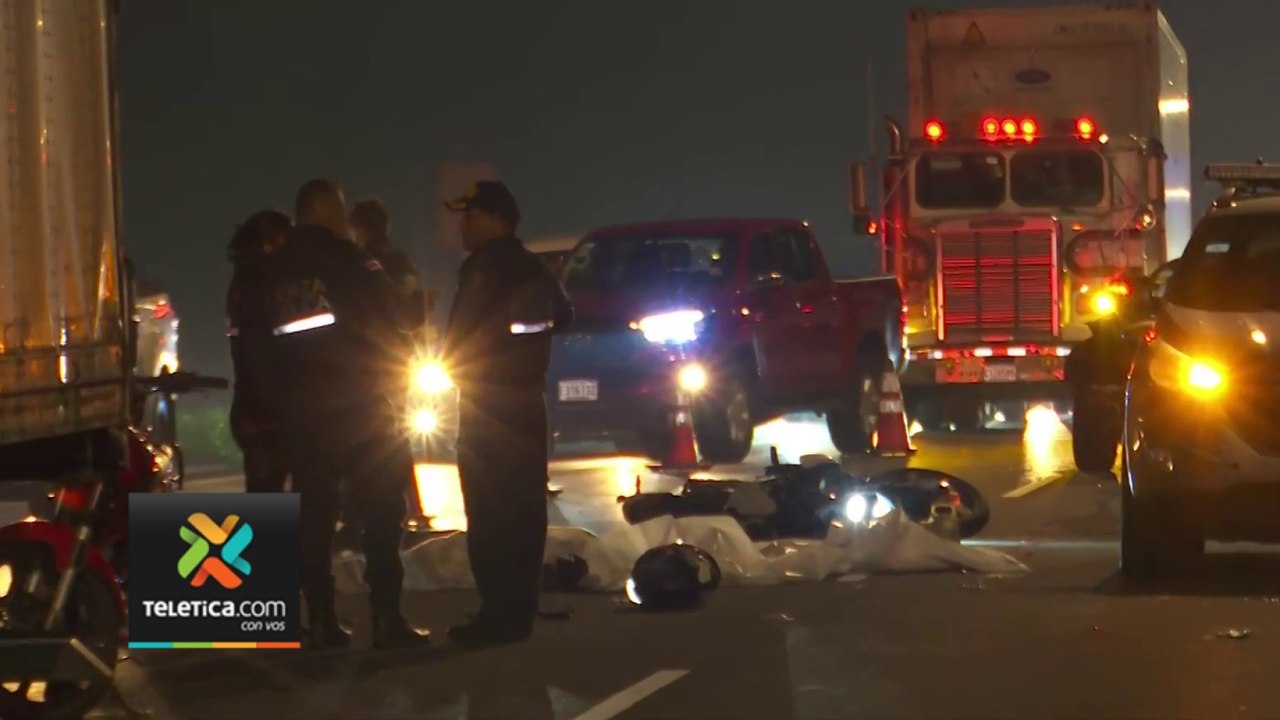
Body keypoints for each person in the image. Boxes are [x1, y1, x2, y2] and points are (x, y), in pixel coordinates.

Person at [267, 178, 429, 649]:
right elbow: (391, 318)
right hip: (360, 407)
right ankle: (386, 619)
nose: (344, 218)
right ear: (319, 210)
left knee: (314, 516)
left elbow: (264, 345)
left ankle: (320, 621)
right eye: (337, 209)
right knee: (381, 513)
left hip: (302, 411)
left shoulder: (275, 271)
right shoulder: (350, 261)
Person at [442, 181, 572, 646]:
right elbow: (565, 315)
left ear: (496, 218)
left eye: (471, 215)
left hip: (486, 405)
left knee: (490, 510)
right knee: (524, 508)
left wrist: (455, 365)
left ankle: (496, 614)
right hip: (528, 403)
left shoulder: (482, 269)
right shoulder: (532, 266)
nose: (463, 225)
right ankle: (518, 610)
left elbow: (460, 338)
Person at [346, 198, 432, 531]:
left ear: (361, 228)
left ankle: (370, 515)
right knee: (396, 436)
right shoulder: (400, 262)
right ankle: (412, 506)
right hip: (399, 359)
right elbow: (413, 309)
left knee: (373, 439)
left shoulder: (364, 263)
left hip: (371, 364)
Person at [225, 209, 293, 493]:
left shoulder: (244, 283)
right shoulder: (260, 286)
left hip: (254, 408)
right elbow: (261, 350)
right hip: (264, 411)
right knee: (267, 488)